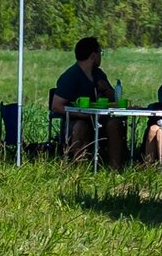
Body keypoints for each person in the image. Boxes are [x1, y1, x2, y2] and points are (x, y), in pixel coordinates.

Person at [51, 37, 126, 168]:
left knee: (115, 124)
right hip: (77, 120)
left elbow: (115, 99)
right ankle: (79, 168)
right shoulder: (70, 76)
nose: (100, 57)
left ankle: (115, 169)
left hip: (101, 120)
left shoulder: (99, 74)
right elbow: (56, 106)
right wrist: (83, 115)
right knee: (81, 126)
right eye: (100, 53)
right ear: (93, 55)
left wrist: (107, 89)